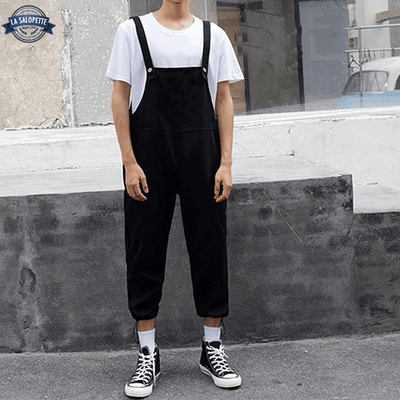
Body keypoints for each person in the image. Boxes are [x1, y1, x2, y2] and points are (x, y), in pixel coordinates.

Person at [106, 0, 244, 397]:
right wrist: (129, 162)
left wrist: (226, 163)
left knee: (210, 247)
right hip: (148, 158)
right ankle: (147, 353)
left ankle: (212, 347)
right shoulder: (132, 33)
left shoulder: (213, 36)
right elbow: (120, 96)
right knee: (144, 249)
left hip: (204, 156)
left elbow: (224, 99)